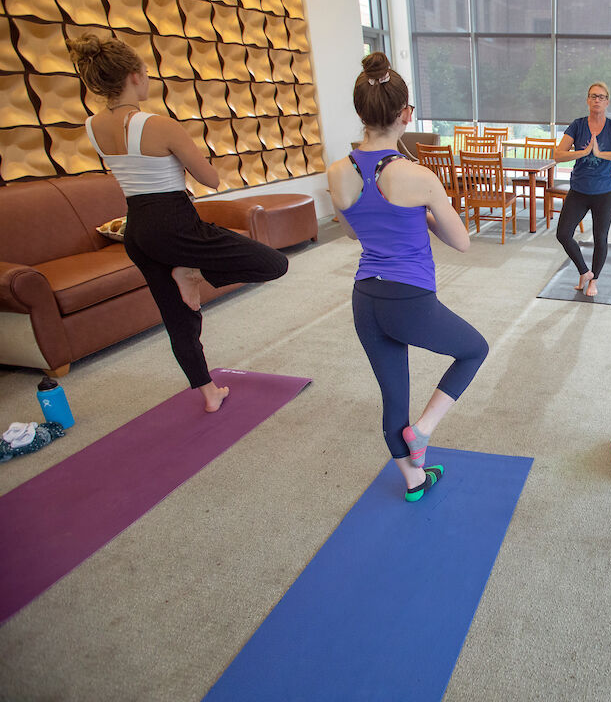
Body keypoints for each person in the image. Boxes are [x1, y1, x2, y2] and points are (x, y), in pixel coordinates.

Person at [69, 35, 288, 413]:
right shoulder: (159, 124)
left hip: (137, 229)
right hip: (175, 222)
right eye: (147, 72)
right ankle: (193, 272)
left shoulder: (92, 126)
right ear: (136, 76)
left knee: (177, 317)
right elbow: (211, 179)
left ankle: (208, 393)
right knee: (274, 263)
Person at [326, 53, 488, 502]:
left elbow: (352, 231)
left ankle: (413, 480)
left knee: (392, 393)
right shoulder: (417, 174)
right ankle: (423, 430)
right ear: (405, 114)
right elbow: (462, 241)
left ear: (362, 113)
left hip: (365, 299)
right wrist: (429, 218)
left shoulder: (337, 171)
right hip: (410, 300)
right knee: (474, 349)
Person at [553, 82, 611, 297]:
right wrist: (583, 152)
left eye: (601, 96)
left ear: (607, 101)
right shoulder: (577, 125)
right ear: (588, 100)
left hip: (604, 193)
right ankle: (584, 271)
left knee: (600, 237)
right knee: (563, 233)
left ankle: (593, 280)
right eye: (593, 96)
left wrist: (599, 153)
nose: (597, 100)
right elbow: (558, 155)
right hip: (579, 190)